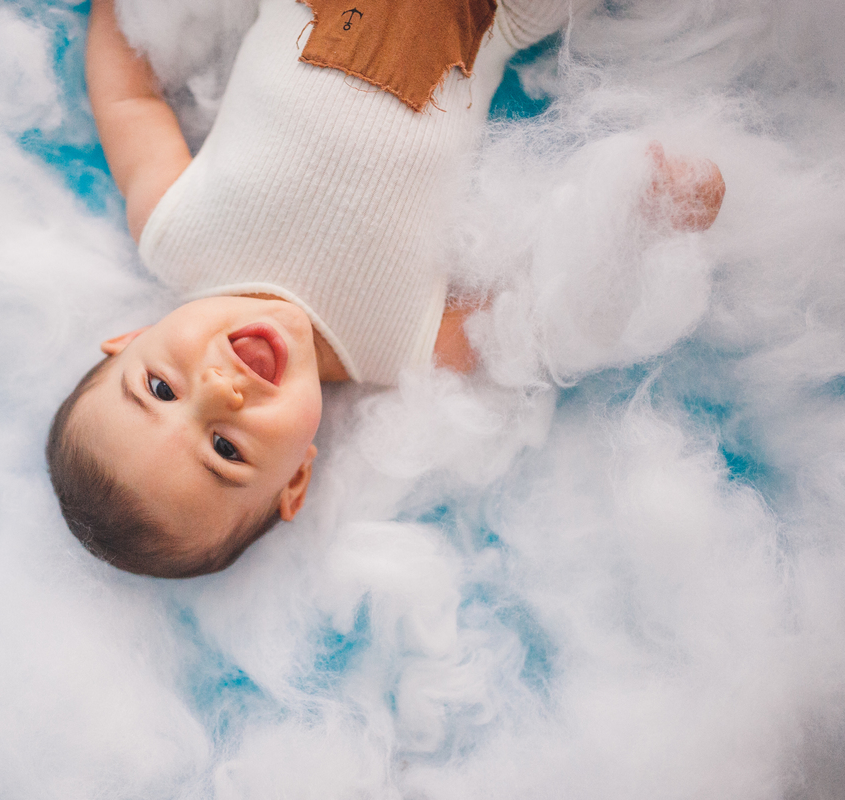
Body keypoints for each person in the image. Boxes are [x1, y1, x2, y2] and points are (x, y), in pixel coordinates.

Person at [47, 0, 726, 578]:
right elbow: (538, 308)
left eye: (160, 388)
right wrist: (643, 219)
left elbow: (128, 96)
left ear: (129, 341)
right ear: (296, 479)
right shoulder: (405, 349)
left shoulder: (175, 232)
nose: (221, 390)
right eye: (227, 449)